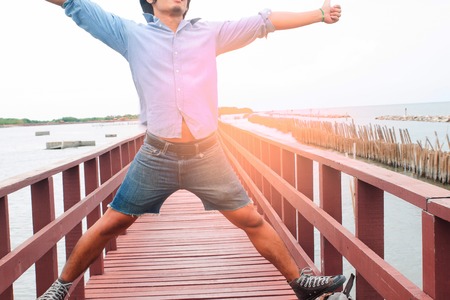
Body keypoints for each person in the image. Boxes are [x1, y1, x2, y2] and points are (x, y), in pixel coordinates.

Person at [38, 0, 344, 299]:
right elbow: (74, 4)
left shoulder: (209, 34)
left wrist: (319, 14)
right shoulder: (130, 34)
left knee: (250, 219)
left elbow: (266, 21)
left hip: (207, 155)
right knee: (113, 222)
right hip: (157, 155)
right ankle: (60, 289)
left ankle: (299, 283)